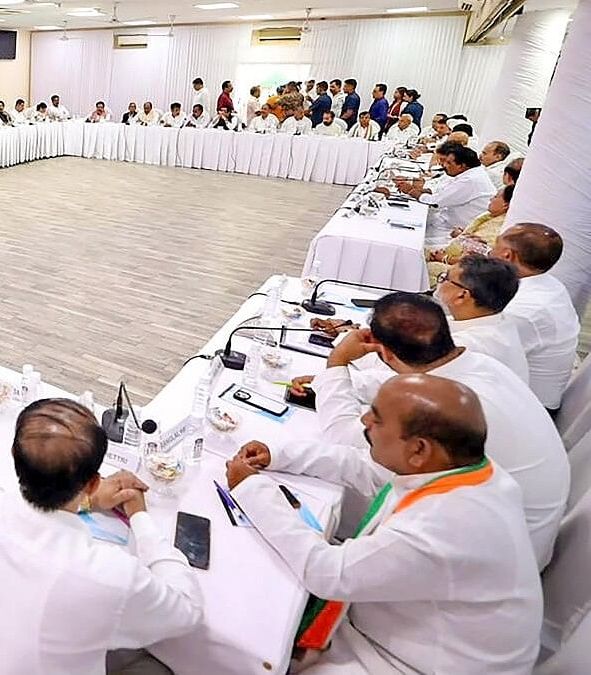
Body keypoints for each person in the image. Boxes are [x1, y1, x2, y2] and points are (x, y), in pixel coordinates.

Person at [226, 374, 542, 674]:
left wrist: (252, 490)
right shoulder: (466, 472)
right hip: (398, 629)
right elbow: (365, 466)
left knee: (242, 632)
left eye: (376, 418)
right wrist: (280, 455)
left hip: (406, 663)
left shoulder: (443, 526)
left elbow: (327, 573)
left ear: (419, 448)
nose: (364, 421)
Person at [290, 292, 568, 566]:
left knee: (313, 489)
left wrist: (337, 364)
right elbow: (413, 383)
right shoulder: (478, 364)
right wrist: (336, 381)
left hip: (479, 556)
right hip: (512, 531)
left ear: (383, 351)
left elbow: (345, 439)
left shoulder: (443, 409)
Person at [0, 399, 203, 673]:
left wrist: (87, 503)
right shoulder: (107, 574)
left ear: (12, 454)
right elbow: (187, 611)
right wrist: (140, 518)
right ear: (95, 483)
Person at [492, 223, 580, 413]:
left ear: (507, 255)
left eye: (494, 246)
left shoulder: (524, 311)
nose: (490, 252)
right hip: (525, 393)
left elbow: (469, 350)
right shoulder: (550, 285)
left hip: (527, 409)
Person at [431, 256, 530, 382]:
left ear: (462, 295)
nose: (441, 282)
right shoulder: (501, 321)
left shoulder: (464, 347)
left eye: (445, 278)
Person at [389, 142, 496, 245]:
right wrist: (414, 189)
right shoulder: (470, 173)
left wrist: (410, 191)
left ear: (462, 166)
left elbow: (435, 201)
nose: (445, 165)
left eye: (449, 163)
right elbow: (439, 191)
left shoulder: (471, 179)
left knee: (404, 238)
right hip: (444, 220)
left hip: (452, 230)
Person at [426, 185, 513, 278]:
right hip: (451, 249)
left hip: (468, 270)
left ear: (506, 205)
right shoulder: (490, 216)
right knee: (421, 253)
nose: (491, 199)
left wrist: (445, 258)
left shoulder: (499, 227)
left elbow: (478, 260)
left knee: (426, 267)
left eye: (495, 197)